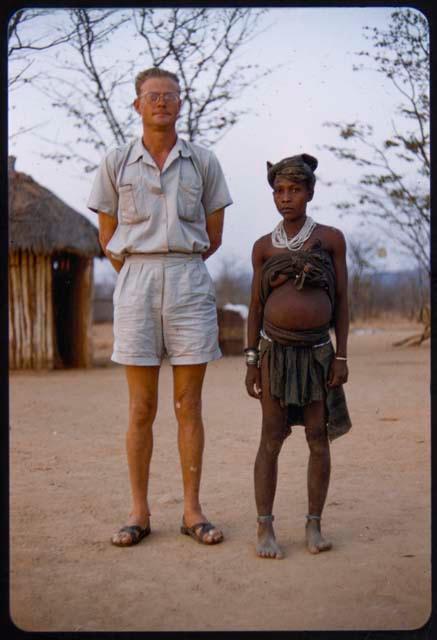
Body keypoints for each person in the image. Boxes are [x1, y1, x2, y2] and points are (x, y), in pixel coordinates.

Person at [88, 67, 232, 547]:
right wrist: (140, 268)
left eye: (170, 96)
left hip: (189, 278)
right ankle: (139, 512)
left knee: (188, 403)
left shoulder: (204, 162)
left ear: (180, 103)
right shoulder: (116, 163)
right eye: (152, 96)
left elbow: (213, 237)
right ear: (137, 105)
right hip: (137, 280)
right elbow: (107, 237)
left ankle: (192, 511)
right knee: (141, 406)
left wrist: (178, 264)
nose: (162, 103)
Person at [245, 154, 352, 559]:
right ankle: (264, 529)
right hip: (275, 354)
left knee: (317, 439)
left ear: (310, 192)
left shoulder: (330, 239)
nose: (285, 198)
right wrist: (252, 359)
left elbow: (341, 301)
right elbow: (254, 308)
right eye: (279, 191)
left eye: (294, 190)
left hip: (317, 356)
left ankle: (314, 525)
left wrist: (342, 356)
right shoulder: (262, 248)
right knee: (271, 437)